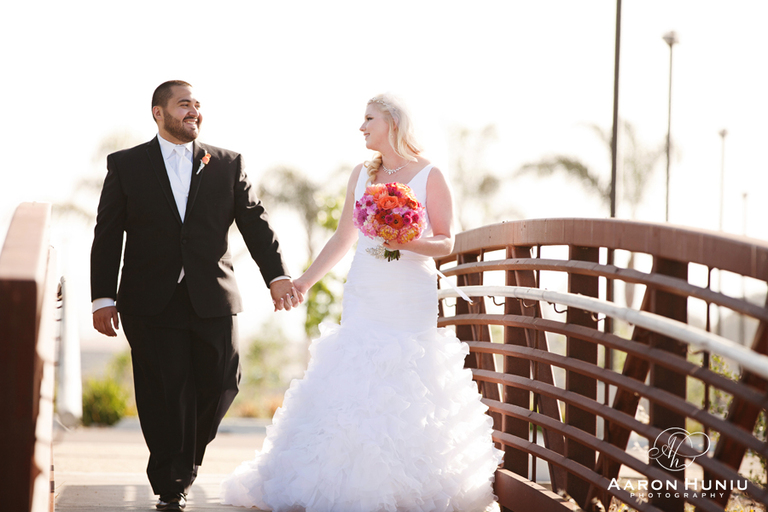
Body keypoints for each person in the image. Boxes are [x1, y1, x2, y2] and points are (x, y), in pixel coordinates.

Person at [220, 93, 502, 511]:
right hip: (366, 289)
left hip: (409, 295)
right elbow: (343, 237)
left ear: (393, 121)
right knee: (355, 374)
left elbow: (446, 241)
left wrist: (407, 238)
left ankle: (410, 487)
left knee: (408, 378)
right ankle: (346, 482)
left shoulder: (431, 175)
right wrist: (305, 282)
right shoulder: (361, 174)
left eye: (369, 118)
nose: (362, 126)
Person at [90, 80, 302, 511]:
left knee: (224, 379)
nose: (193, 111)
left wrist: (277, 276)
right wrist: (102, 297)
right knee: (165, 390)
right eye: (183, 104)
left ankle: (182, 460)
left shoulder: (226, 163)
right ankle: (171, 482)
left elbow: (255, 224)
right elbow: (108, 234)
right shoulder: (127, 164)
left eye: (197, 105)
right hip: (149, 299)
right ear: (158, 112)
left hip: (213, 295)